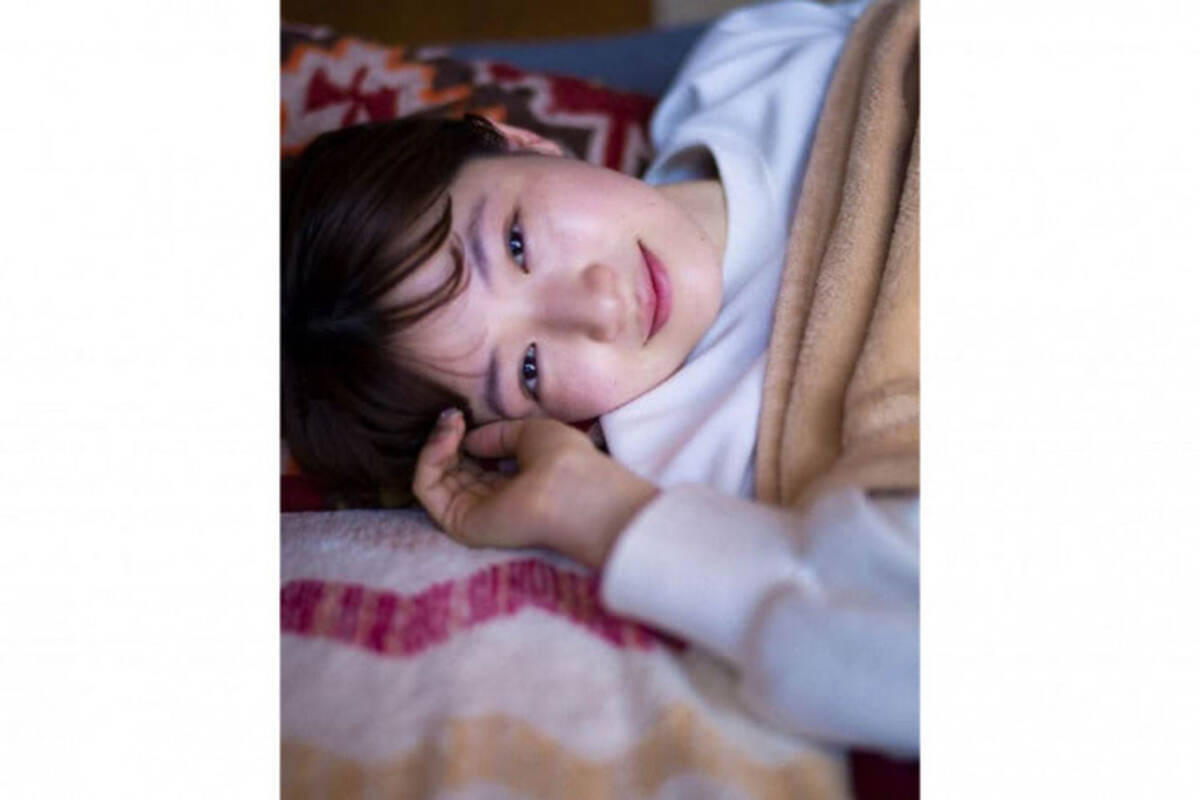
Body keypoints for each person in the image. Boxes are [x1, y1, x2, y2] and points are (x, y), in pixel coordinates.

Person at [281, 0, 917, 755]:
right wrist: (597, 515)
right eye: (528, 368)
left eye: (516, 243)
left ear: (524, 142)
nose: (600, 305)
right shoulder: (701, 467)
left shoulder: (747, 64)